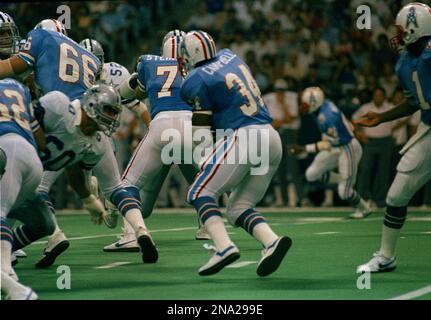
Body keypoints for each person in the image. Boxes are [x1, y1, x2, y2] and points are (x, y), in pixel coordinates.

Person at [180, 30, 291, 277]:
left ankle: (223, 246)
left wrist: (204, 159)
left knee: (199, 191)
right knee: (238, 207)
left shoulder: (195, 79)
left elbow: (200, 129)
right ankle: (271, 241)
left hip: (245, 135)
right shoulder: (231, 56)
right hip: (271, 137)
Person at [30, 84, 158, 268]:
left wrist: (88, 197)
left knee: (38, 188)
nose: (112, 117)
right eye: (109, 111)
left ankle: (54, 235)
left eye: (114, 113)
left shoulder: (62, 104)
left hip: (67, 134)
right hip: (79, 133)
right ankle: (141, 230)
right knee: (116, 188)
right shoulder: (68, 101)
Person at [110, 30, 210, 253]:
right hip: (191, 126)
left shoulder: (148, 62)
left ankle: (130, 235)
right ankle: (208, 226)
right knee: (204, 181)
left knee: (128, 184)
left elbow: (128, 92)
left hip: (162, 123)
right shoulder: (199, 69)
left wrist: (124, 92)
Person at [356, 2, 431, 272]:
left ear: (413, 28)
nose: (397, 35)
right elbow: (414, 102)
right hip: (428, 127)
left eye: (401, 29)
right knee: (397, 194)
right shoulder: (404, 62)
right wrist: (382, 117)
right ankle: (386, 256)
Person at [0, 78, 53, 300]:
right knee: (45, 224)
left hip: (6, 150)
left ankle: (8, 275)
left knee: (0, 212)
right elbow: (40, 138)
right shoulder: (17, 87)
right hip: (31, 158)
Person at [289, 87, 371, 218]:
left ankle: (363, 207)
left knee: (344, 193)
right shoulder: (323, 106)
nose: (301, 106)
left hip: (347, 147)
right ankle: (342, 179)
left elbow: (327, 144)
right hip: (336, 145)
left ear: (313, 103)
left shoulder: (326, 117)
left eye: (304, 103)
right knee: (311, 174)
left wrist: (304, 148)